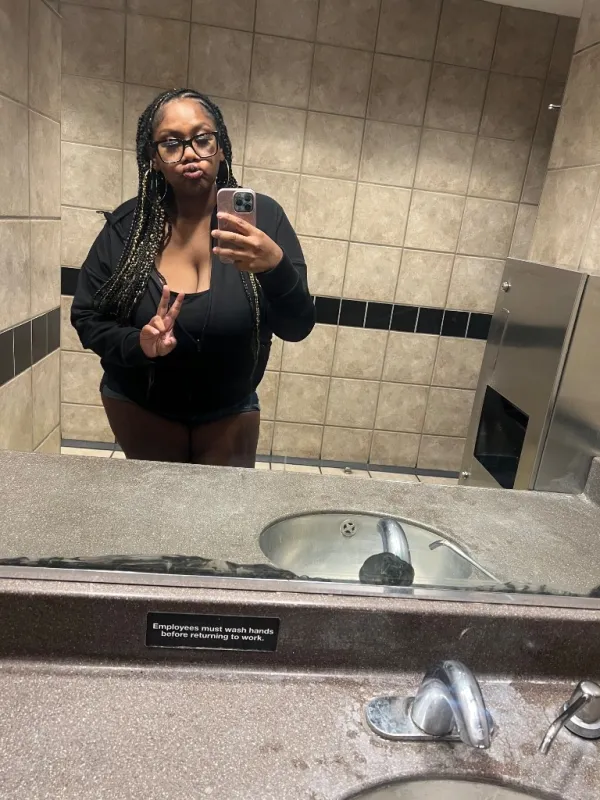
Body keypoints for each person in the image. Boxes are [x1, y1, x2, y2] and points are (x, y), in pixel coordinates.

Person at [71, 88, 315, 467]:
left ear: (220, 148)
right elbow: (87, 317)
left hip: (231, 407)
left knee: (221, 504)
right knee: (156, 502)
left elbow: (297, 326)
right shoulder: (129, 227)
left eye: (202, 139)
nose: (189, 153)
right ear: (154, 159)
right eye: (171, 143)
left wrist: (275, 268)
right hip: (140, 403)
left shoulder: (263, 221)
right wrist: (138, 344)